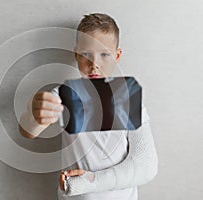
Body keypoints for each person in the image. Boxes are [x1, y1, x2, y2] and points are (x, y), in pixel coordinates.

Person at [19, 13, 158, 200]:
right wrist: (34, 115)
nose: (94, 65)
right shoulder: (63, 95)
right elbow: (28, 131)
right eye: (86, 55)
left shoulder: (128, 97)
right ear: (76, 55)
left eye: (104, 55)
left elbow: (146, 165)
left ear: (117, 56)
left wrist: (87, 182)